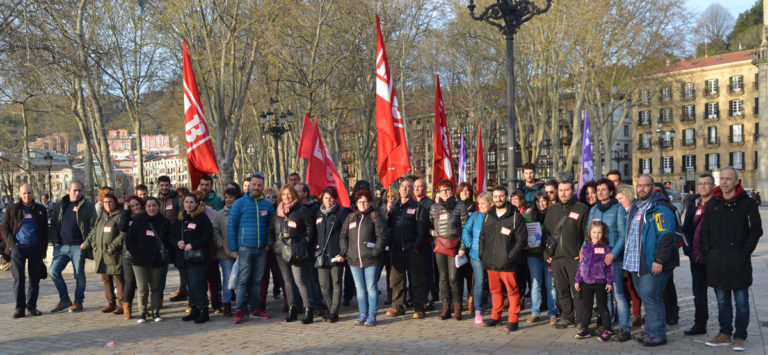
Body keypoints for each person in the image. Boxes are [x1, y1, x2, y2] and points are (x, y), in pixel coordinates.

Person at [701, 167, 762, 351]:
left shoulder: (748, 203)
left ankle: (740, 336)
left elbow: (756, 230)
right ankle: (725, 333)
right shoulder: (713, 203)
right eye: (722, 179)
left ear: (737, 181)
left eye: (729, 179)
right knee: (722, 300)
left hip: (739, 260)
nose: (725, 182)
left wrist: (745, 253)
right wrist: (707, 253)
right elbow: (705, 230)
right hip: (717, 261)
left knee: (741, 301)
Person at [623, 175, 679, 347]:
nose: (642, 189)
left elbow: (667, 235)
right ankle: (652, 330)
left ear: (653, 187)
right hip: (636, 262)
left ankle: (657, 334)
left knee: (651, 295)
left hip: (653, 262)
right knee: (647, 296)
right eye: (639, 185)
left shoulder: (660, 208)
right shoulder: (636, 206)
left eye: (646, 186)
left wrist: (659, 259)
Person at [587, 178, 630, 341]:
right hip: (597, 260)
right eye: (598, 190)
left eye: (603, 189)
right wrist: (584, 251)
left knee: (618, 293)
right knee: (606, 295)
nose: (600, 193)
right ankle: (608, 326)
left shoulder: (618, 209)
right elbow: (588, 234)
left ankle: (625, 328)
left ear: (611, 192)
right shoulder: (593, 210)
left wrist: (614, 254)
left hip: (613, 258)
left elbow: (621, 235)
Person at [479, 186, 527, 332]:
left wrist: (510, 257)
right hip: (491, 262)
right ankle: (496, 317)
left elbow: (521, 240)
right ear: (492, 198)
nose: (498, 199)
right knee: (495, 290)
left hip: (507, 263)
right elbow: (482, 237)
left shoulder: (515, 217)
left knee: (512, 292)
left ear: (506, 197)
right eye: (495, 196)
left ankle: (513, 320)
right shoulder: (489, 215)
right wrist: (482, 254)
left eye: (501, 196)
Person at [542, 180, 589, 329]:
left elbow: (587, 234)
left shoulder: (582, 209)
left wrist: (583, 252)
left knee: (578, 290)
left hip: (574, 257)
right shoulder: (552, 209)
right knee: (561, 290)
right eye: (560, 190)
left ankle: (581, 319)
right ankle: (567, 317)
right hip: (556, 257)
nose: (563, 193)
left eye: (566, 190)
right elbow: (546, 234)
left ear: (573, 191)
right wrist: (546, 253)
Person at [228, 174, 274, 323]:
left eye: (259, 185)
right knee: (242, 280)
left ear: (262, 187)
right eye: (254, 185)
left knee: (257, 280)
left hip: (261, 249)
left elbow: (271, 227)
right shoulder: (239, 203)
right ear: (249, 186)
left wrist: (268, 243)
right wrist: (233, 248)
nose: (256, 187)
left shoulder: (267, 204)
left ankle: (255, 309)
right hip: (245, 248)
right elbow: (232, 227)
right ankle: (240, 310)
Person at [339, 189, 387, 326]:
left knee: (371, 287)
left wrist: (375, 252)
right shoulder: (351, 217)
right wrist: (346, 251)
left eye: (365, 201)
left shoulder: (375, 216)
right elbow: (343, 236)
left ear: (370, 202)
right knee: (359, 288)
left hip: (372, 259)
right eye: (360, 202)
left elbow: (382, 236)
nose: (362, 204)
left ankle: (372, 315)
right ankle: (362, 313)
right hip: (354, 260)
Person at [1, 184, 48, 318]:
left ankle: (32, 306)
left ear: (33, 194)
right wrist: (12, 243)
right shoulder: (12, 209)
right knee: (19, 279)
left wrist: (43, 251)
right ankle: (19, 308)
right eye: (24, 193)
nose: (27, 196)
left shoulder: (40, 209)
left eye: (29, 193)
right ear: (20, 195)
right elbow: (4, 228)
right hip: (18, 248)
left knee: (34, 279)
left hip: (35, 248)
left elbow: (45, 231)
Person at [49, 181, 96, 313]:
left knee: (79, 275)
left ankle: (78, 302)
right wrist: (55, 241)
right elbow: (53, 224)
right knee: (53, 271)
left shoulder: (88, 205)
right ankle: (64, 299)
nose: (77, 193)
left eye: (80, 191)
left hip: (78, 246)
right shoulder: (60, 204)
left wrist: (85, 243)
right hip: (62, 246)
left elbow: (94, 226)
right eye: (74, 190)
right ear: (68, 190)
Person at [385, 178, 429, 319]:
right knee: (396, 281)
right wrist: (387, 212)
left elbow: (421, 229)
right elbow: (386, 227)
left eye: (408, 187)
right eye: (403, 186)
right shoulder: (393, 206)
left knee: (416, 280)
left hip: (412, 249)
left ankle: (419, 307)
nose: (405, 189)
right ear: (398, 189)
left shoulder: (417, 206)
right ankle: (398, 307)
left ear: (411, 190)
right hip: (396, 249)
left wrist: (415, 246)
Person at [272, 185, 316, 324]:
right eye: (284, 194)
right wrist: (274, 245)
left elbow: (310, 229)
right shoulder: (277, 212)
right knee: (288, 282)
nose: (287, 197)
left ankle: (308, 309)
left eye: (289, 194)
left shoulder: (301, 210)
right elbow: (270, 230)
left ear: (294, 195)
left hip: (296, 250)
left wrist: (303, 244)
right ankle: (292, 308)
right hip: (281, 251)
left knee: (300, 281)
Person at [125, 197, 172, 323]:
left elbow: (169, 240)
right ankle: (142, 312)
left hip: (157, 261)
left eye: (154, 206)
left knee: (156, 287)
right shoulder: (138, 220)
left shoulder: (164, 222)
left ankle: (155, 312)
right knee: (142, 288)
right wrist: (135, 253)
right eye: (149, 206)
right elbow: (129, 239)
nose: (152, 208)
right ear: (145, 207)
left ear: (158, 207)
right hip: (139, 261)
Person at [81, 192, 125, 316]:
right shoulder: (101, 215)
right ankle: (111, 303)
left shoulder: (120, 216)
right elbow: (95, 230)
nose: (108, 204)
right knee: (106, 280)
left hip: (114, 254)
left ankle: (122, 305)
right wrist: (94, 243)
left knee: (118, 280)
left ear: (115, 203)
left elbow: (123, 234)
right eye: (105, 202)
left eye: (110, 202)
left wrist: (113, 246)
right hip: (101, 254)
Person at [429, 179, 468, 320]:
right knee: (443, 279)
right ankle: (446, 306)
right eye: (442, 190)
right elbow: (429, 224)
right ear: (438, 193)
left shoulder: (460, 206)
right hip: (440, 246)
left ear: (452, 191)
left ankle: (457, 306)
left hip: (455, 247)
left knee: (453, 278)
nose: (445, 193)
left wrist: (462, 247)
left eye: (447, 190)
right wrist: (431, 232)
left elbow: (465, 229)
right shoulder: (435, 207)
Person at [681, 174, 714, 336]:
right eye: (700, 183)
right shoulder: (694, 206)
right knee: (699, 293)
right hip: (696, 257)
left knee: (722, 294)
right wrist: (687, 250)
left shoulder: (717, 205)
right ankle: (700, 324)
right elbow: (685, 229)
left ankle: (725, 329)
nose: (702, 186)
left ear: (713, 186)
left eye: (706, 183)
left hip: (714, 258)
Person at [173, 193, 214, 323]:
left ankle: (204, 310)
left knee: (197, 284)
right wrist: (177, 242)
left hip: (198, 258)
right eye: (186, 202)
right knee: (190, 285)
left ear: (197, 204)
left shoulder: (202, 218)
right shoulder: (179, 219)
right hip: (183, 259)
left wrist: (193, 244)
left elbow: (208, 236)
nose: (189, 205)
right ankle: (194, 308)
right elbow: (171, 235)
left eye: (191, 202)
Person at [315, 187, 352, 323]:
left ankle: (334, 311)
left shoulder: (341, 213)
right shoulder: (318, 213)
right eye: (325, 198)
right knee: (324, 285)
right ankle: (330, 308)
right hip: (321, 255)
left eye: (330, 198)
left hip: (336, 253)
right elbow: (314, 233)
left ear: (335, 199)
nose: (328, 200)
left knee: (336, 283)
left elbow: (346, 235)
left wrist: (343, 252)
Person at [573, 221, 614, 342]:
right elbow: (581, 264)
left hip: (600, 282)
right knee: (587, 307)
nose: (596, 235)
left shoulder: (606, 247)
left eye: (599, 232)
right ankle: (584, 328)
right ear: (589, 233)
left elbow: (610, 267)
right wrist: (577, 280)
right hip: (586, 282)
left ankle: (608, 329)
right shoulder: (585, 246)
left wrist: (609, 282)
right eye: (594, 232)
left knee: (602, 307)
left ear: (603, 233)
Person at [524, 191, 558, 325]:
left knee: (551, 285)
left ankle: (552, 313)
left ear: (548, 201)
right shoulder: (529, 216)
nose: (541, 204)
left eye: (544, 201)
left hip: (549, 255)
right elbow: (523, 232)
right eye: (538, 201)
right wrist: (525, 243)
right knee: (535, 284)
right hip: (533, 254)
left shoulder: (553, 215)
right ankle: (535, 312)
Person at [615, 184, 643, 328]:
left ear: (629, 197)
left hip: (634, 256)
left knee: (634, 287)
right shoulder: (618, 212)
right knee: (625, 287)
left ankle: (637, 315)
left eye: (620, 198)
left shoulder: (636, 211)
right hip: (620, 255)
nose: (618, 201)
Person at [461, 191, 491, 324]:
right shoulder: (475, 215)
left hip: (492, 256)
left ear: (490, 204)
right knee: (479, 282)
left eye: (483, 203)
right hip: (476, 255)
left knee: (493, 283)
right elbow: (466, 231)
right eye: (479, 203)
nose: (480, 206)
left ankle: (496, 309)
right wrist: (470, 243)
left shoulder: (495, 216)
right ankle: (478, 310)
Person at [212, 187, 240, 317]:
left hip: (241, 250)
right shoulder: (219, 214)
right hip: (224, 253)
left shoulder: (241, 212)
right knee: (228, 278)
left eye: (231, 197)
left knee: (241, 278)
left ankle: (241, 303)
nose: (228, 200)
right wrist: (220, 244)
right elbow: (215, 231)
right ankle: (227, 303)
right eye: (227, 197)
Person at [413, 177, 438, 309]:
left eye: (419, 186)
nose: (416, 189)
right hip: (412, 244)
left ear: (424, 188)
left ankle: (429, 298)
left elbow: (434, 222)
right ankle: (415, 298)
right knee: (415, 274)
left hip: (425, 243)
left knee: (427, 273)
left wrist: (429, 230)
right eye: (415, 186)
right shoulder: (409, 202)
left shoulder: (430, 204)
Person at [119, 195, 144, 320]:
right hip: (128, 254)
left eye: (137, 205)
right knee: (129, 282)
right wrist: (125, 211)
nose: (135, 207)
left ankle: (142, 308)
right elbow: (122, 228)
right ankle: (127, 308)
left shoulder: (146, 216)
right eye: (132, 206)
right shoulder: (127, 217)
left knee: (143, 283)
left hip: (144, 253)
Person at [156, 176, 180, 302]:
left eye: (166, 185)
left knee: (182, 269)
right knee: (161, 272)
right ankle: (158, 300)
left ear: (170, 185)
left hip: (175, 240)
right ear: (158, 186)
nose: (164, 188)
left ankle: (184, 293)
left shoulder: (177, 200)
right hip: (161, 242)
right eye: (162, 185)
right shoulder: (155, 201)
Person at [455, 182, 475, 314]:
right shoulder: (454, 206)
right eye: (462, 191)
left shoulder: (476, 207)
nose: (465, 193)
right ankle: (458, 302)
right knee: (457, 276)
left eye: (467, 191)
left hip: (472, 246)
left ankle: (471, 300)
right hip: (457, 246)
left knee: (471, 276)